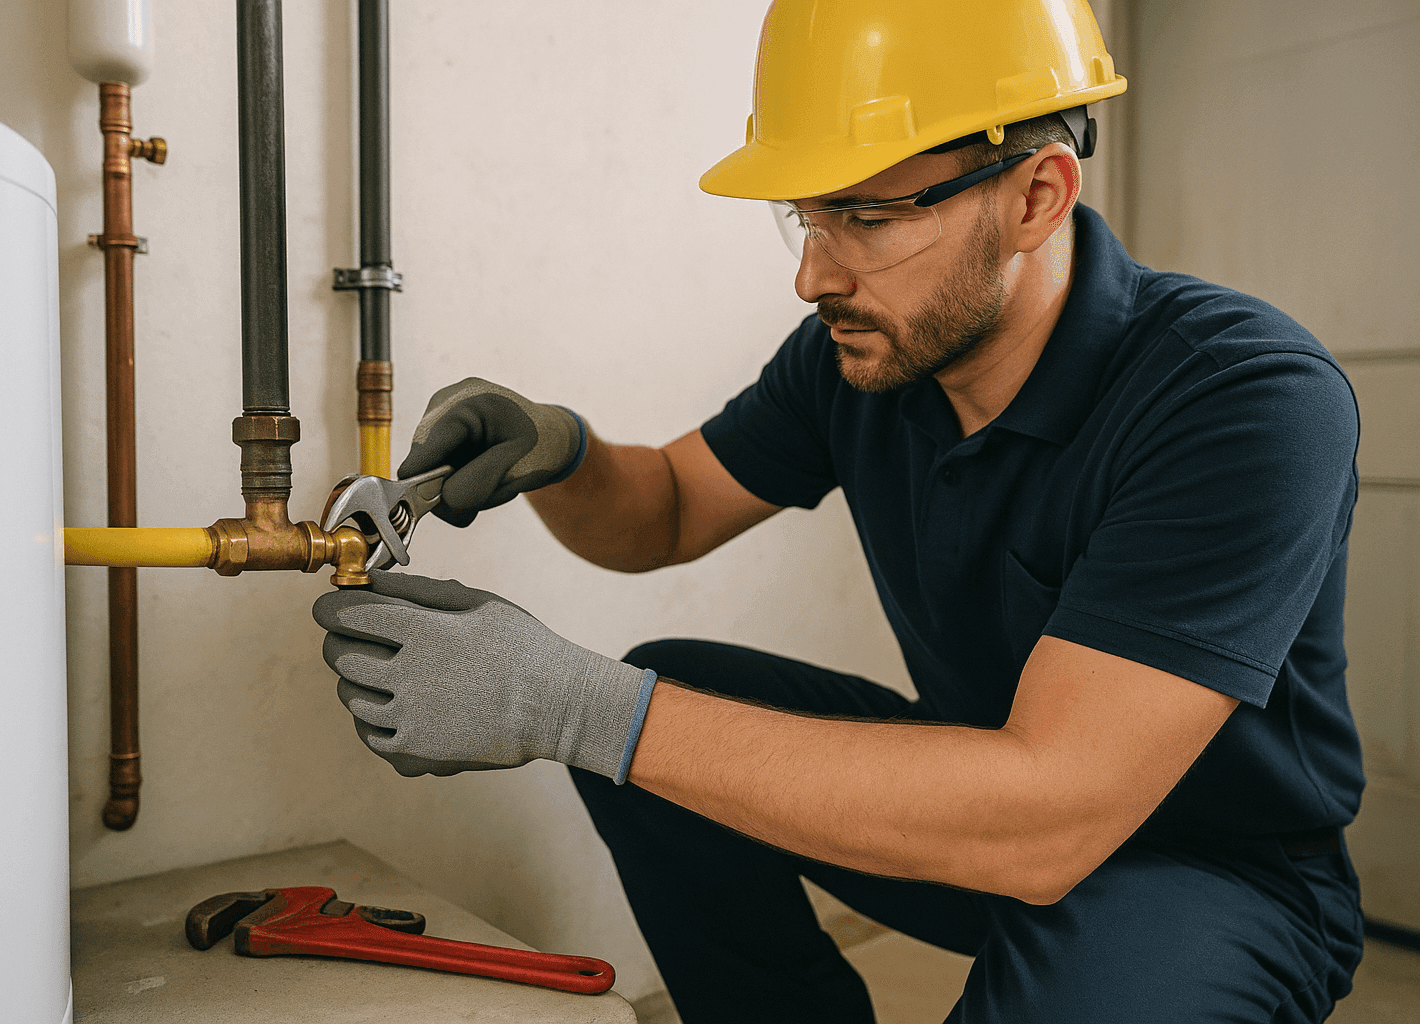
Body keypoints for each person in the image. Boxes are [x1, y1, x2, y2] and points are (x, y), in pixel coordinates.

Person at [312, 1, 1365, 1020]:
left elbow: (1051, 813)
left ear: (1038, 196)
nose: (815, 275)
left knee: (633, 720)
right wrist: (561, 452)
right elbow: (670, 509)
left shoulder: (1242, 399)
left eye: (863, 217)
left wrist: (571, 705)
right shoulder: (867, 356)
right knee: (669, 695)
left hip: (1212, 866)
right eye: (805, 217)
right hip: (989, 794)